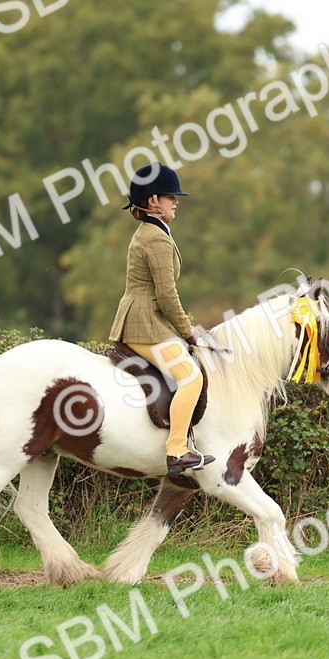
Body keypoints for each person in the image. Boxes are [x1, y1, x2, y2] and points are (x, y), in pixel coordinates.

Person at [109, 164, 215, 475]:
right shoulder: (155, 237)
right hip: (144, 324)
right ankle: (177, 450)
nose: (176, 201)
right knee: (191, 377)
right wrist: (188, 331)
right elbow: (167, 295)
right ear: (153, 200)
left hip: (147, 320)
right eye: (171, 196)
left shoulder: (154, 232)